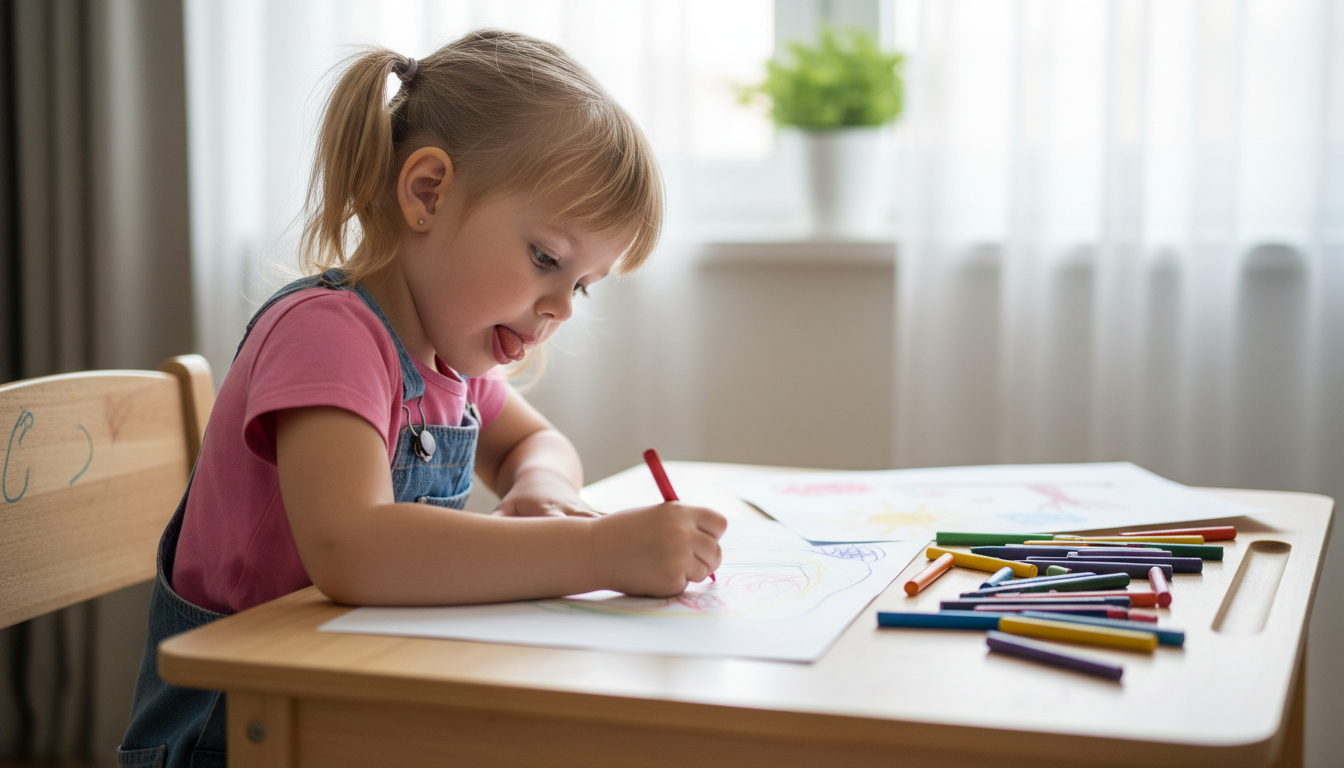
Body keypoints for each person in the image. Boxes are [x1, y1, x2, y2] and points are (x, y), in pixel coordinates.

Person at [118, 29, 726, 768]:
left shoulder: (450, 364)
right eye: (546, 259)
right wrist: (597, 550)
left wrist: (544, 488)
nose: (561, 308)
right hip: (235, 732)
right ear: (428, 192)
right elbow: (356, 549)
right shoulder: (328, 334)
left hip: (356, 702)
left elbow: (537, 443)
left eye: (582, 285)